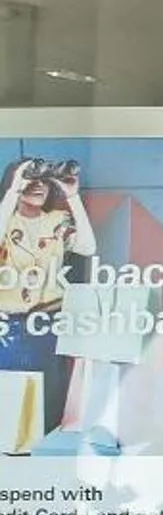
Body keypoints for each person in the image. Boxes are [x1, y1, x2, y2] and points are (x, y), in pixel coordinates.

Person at [0, 157, 92, 454]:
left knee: (47, 396)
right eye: (31, 179)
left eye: (42, 181)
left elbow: (87, 248)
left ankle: (41, 461)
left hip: (46, 322)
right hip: (8, 325)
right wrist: (14, 189)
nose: (38, 185)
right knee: (10, 402)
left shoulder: (56, 222)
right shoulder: (6, 220)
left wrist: (72, 197)